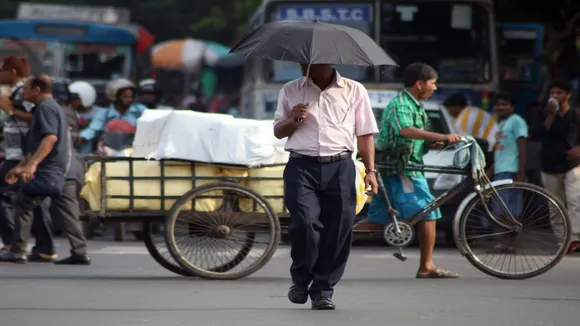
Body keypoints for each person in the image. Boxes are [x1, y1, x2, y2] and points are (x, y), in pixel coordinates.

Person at [274, 63, 379, 310]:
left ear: (328, 61)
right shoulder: (290, 90)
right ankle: (300, 281)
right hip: (301, 167)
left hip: (341, 167)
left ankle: (323, 290)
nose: (303, 66)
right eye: (301, 62)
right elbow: (279, 131)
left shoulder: (354, 90)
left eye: (308, 62)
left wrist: (371, 171)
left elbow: (365, 134)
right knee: (305, 225)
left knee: (339, 230)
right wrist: (293, 119)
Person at [356, 62, 461, 278]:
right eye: (433, 84)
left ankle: (325, 240)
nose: (435, 88)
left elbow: (419, 138)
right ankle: (427, 266)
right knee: (429, 212)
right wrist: (440, 136)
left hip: (405, 166)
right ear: (420, 84)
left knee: (376, 222)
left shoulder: (416, 106)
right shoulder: (401, 104)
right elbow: (405, 130)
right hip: (402, 169)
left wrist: (437, 143)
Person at [0, 76, 70, 263]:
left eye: (27, 89)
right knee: (49, 207)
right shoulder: (47, 107)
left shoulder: (45, 108)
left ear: (37, 89)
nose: (24, 93)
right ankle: (54, 249)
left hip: (47, 168)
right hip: (49, 168)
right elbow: (35, 144)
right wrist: (23, 166)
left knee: (23, 202)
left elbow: (49, 139)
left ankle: (17, 249)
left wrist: (30, 165)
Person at [0, 56, 52, 258]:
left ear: (12, 73)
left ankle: (12, 243)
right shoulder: (17, 91)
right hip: (18, 153)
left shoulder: (23, 91)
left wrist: (10, 109)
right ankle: (45, 248)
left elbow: (36, 116)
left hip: (21, 155)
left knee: (5, 196)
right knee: (32, 200)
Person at [39, 75, 91, 265]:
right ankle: (79, 250)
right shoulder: (61, 110)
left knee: (25, 203)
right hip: (63, 168)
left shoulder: (55, 110)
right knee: (69, 211)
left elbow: (56, 141)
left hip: (59, 169)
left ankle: (19, 248)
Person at [537, 81, 580, 253]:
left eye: (559, 93)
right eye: (552, 92)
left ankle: (575, 239)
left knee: (575, 201)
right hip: (549, 164)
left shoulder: (576, 114)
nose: (555, 96)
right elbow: (540, 133)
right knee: (555, 205)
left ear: (568, 95)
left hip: (573, 165)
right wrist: (551, 116)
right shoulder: (545, 114)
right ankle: (563, 241)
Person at [486, 93, 528, 252]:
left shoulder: (517, 121)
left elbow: (522, 146)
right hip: (500, 170)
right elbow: (500, 149)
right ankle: (505, 241)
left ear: (512, 106)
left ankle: (509, 242)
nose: (500, 107)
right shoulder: (502, 123)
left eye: (504, 104)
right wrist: (491, 169)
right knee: (500, 208)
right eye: (498, 104)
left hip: (511, 169)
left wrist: (521, 172)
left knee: (509, 209)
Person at [77, 78, 146, 153]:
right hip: (109, 149)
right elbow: (94, 128)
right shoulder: (104, 113)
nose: (129, 100)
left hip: (134, 149)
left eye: (131, 97)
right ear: (114, 97)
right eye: (125, 97)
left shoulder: (140, 110)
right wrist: (83, 137)